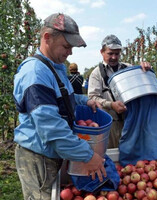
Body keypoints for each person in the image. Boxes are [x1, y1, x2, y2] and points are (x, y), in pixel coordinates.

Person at [13, 13, 106, 200]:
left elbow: (64, 97)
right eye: (66, 46)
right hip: (38, 157)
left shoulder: (55, 67)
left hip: (54, 153)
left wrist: (84, 100)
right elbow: (52, 128)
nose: (70, 52)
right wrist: (88, 155)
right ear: (47, 38)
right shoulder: (35, 73)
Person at [88, 34, 152, 148]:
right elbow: (93, 98)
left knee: (132, 154)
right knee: (113, 153)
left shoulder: (128, 68)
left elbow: (143, 83)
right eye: (110, 53)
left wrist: (145, 69)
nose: (113, 57)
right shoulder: (96, 74)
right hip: (110, 123)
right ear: (102, 52)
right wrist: (111, 105)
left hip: (130, 121)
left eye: (117, 54)